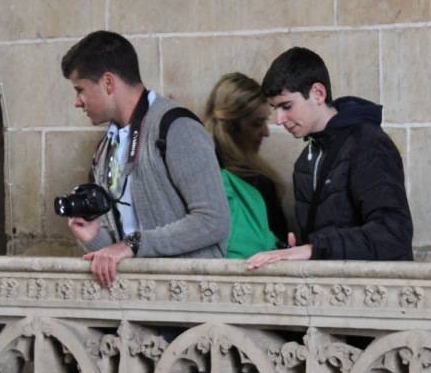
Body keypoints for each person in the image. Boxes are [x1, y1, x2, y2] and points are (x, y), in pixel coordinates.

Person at [61, 31, 229, 287]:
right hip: (140, 297)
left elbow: (213, 221)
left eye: (79, 89)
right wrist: (94, 236)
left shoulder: (176, 126)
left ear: (108, 82)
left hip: (191, 300)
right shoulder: (106, 147)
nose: (76, 102)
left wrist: (133, 244)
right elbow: (120, 250)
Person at [247, 47, 412, 268]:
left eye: (286, 106)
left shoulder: (368, 144)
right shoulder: (306, 160)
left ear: (318, 93)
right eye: (274, 108)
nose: (278, 119)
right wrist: (299, 250)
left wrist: (313, 249)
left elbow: (393, 235)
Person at [203, 72, 288, 256]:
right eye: (257, 123)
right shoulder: (256, 182)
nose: (266, 132)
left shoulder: (195, 169)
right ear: (233, 125)